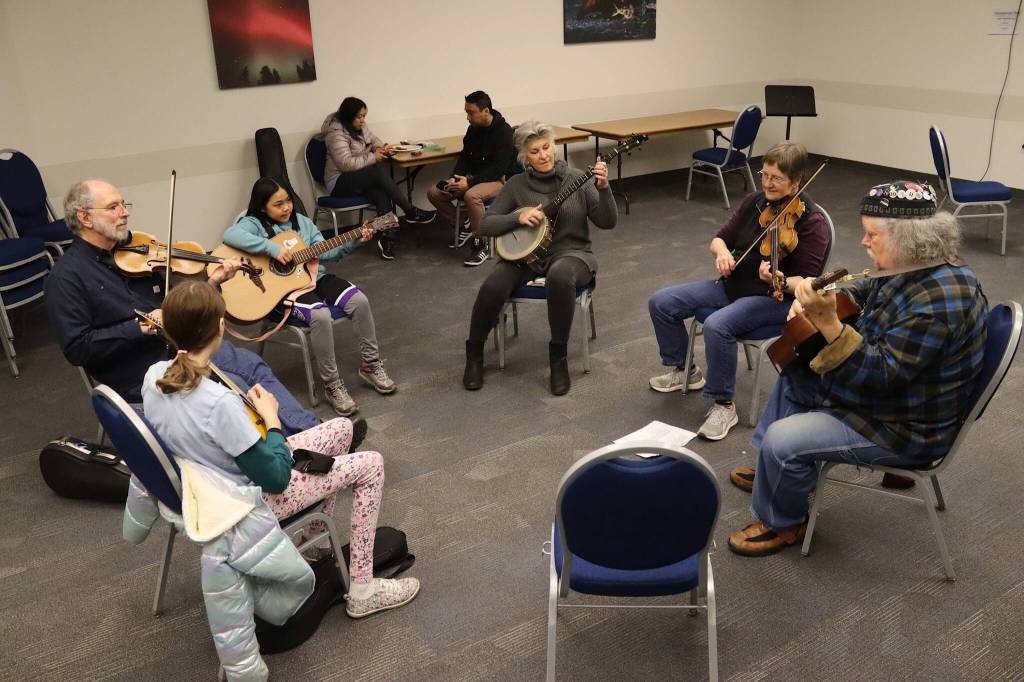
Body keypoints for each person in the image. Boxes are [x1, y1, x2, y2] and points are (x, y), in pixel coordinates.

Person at [726, 181, 988, 557]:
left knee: (785, 441)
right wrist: (830, 298)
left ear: (909, 239)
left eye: (872, 235)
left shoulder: (939, 303)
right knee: (797, 370)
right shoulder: (916, 266)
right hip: (896, 396)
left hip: (904, 427)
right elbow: (868, 291)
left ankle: (783, 522)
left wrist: (829, 324)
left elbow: (879, 377)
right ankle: (773, 471)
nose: (863, 242)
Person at [142, 280, 419, 617]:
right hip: (246, 505)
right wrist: (272, 421)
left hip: (209, 484)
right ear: (219, 327)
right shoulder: (220, 403)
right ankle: (363, 590)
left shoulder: (154, 375)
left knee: (342, 429)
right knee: (372, 464)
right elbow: (275, 477)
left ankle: (318, 543)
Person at [44, 179, 326, 437]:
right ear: (84, 218)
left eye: (123, 204)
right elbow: (77, 347)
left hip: (184, 346)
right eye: (113, 207)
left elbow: (178, 311)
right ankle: (295, 452)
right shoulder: (66, 278)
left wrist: (212, 283)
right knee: (232, 387)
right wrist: (141, 327)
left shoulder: (137, 254)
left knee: (252, 366)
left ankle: (312, 435)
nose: (125, 212)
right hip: (142, 370)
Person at [647, 142, 830, 440]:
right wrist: (723, 254)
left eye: (776, 178)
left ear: (796, 182)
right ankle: (686, 370)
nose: (767, 183)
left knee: (719, 325)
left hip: (774, 299)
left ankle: (724, 404)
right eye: (765, 174)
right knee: (662, 302)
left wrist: (780, 278)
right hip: (733, 286)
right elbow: (719, 239)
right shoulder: (754, 202)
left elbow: (808, 282)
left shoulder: (811, 223)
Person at [463, 121, 616, 396]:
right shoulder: (516, 185)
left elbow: (608, 222)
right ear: (524, 157)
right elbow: (485, 225)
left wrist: (604, 188)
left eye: (547, 147)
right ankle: (474, 355)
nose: (544, 155)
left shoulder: (577, 178)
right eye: (535, 151)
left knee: (560, 276)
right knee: (493, 285)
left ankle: (558, 358)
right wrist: (517, 217)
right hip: (527, 256)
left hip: (573, 253)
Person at [223, 177, 398, 417]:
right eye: (278, 204)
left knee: (360, 301)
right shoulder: (253, 223)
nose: (286, 208)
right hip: (282, 292)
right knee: (321, 316)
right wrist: (272, 248)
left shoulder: (303, 223)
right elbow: (231, 236)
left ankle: (370, 364)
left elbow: (328, 252)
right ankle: (331, 383)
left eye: (288, 201)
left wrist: (354, 242)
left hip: (314, 278)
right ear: (262, 207)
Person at [322, 96, 435, 261]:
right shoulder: (335, 134)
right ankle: (409, 210)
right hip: (339, 182)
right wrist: (374, 157)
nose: (363, 120)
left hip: (361, 178)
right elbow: (346, 164)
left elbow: (374, 141)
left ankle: (387, 238)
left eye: (364, 116)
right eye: (359, 117)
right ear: (348, 117)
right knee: (375, 171)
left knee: (379, 192)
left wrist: (383, 149)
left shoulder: (361, 127)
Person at [427, 90, 518, 267]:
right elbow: (464, 158)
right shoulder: (473, 130)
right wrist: (455, 179)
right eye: (466, 112)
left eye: (471, 112)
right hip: (473, 178)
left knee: (471, 196)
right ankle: (463, 223)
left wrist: (469, 183)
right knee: (434, 193)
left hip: (499, 179)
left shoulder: (504, 132)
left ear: (485, 111)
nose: (467, 117)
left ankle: (481, 242)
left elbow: (498, 168)